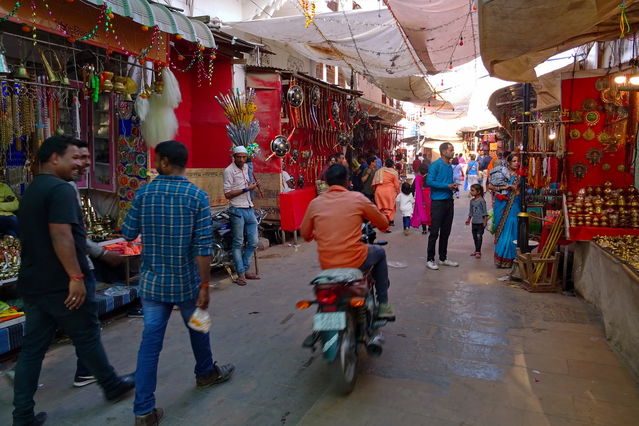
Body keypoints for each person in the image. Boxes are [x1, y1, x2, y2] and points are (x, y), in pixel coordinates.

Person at [14, 136, 134, 426]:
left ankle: (22, 416)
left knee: (32, 350)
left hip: (34, 283)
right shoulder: (60, 190)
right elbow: (61, 235)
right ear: (54, 158)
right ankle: (111, 384)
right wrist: (76, 277)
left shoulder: (32, 190)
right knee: (87, 336)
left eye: (86, 158)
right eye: (77, 157)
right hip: (63, 286)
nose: (83, 164)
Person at [122, 140, 235, 425]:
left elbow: (127, 233)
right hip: (187, 284)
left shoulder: (144, 193)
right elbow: (203, 248)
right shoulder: (196, 196)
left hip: (152, 285)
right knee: (199, 326)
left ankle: (144, 411)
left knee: (150, 344)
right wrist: (205, 286)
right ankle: (206, 372)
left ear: (163, 163)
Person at [300, 164, 394, 318]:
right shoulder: (357, 198)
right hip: (355, 260)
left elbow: (305, 234)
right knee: (380, 252)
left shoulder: (315, 203)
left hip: (327, 263)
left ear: (327, 182)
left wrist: (315, 234)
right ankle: (383, 304)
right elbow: (383, 224)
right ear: (347, 181)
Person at [223, 146, 260, 286]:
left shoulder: (246, 168)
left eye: (244, 157)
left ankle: (244, 269)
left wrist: (252, 186)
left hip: (249, 207)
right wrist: (246, 189)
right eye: (239, 157)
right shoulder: (228, 171)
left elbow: (246, 186)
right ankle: (241, 273)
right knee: (238, 242)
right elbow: (227, 194)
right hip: (237, 209)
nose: (241, 159)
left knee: (253, 242)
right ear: (234, 156)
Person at [425, 142, 459, 270]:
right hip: (438, 202)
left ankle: (443, 258)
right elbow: (429, 181)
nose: (453, 152)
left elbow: (447, 182)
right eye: (451, 150)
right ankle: (430, 259)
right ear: (444, 151)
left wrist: (452, 187)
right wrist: (447, 186)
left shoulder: (449, 166)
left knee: (446, 231)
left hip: (449, 201)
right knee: (434, 232)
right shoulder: (435, 165)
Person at [488, 154, 521, 268]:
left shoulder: (520, 176)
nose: (517, 163)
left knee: (511, 229)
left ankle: (510, 258)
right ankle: (501, 258)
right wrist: (505, 188)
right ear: (509, 163)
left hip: (514, 203)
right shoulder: (501, 172)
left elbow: (520, 191)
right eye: (514, 161)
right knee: (501, 230)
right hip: (501, 203)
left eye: (518, 161)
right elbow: (490, 186)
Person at [372, 158, 400, 226]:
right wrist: (398, 193)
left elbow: (374, 183)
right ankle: (389, 220)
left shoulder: (379, 171)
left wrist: (374, 192)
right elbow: (397, 185)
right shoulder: (394, 172)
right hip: (389, 192)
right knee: (390, 207)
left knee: (381, 207)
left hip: (379, 191)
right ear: (392, 165)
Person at [465, 184, 488, 259]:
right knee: (475, 237)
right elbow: (471, 211)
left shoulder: (482, 201)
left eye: (472, 190)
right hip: (474, 222)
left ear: (478, 192)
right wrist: (469, 219)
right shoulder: (472, 201)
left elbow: (485, 212)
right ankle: (476, 250)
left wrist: (485, 221)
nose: (471, 192)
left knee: (479, 236)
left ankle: (478, 251)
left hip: (480, 223)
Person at [410, 162, 431, 234]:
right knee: (429, 212)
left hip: (421, 198)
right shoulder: (429, 178)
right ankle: (430, 227)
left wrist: (411, 197)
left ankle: (424, 229)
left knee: (423, 212)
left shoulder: (417, 178)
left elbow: (412, 188)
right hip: (429, 197)